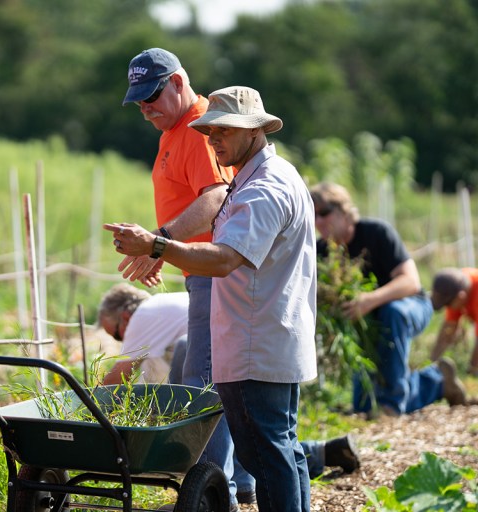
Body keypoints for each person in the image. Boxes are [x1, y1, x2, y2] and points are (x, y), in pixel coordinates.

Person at [106, 86, 318, 512]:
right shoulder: (263, 177)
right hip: (269, 337)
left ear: (255, 131)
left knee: (268, 456)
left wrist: (157, 246)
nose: (213, 138)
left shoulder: (264, 190)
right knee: (283, 450)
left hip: (256, 343)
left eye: (224, 130)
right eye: (209, 130)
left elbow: (224, 260)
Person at [120, 48, 253, 507]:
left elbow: (215, 196)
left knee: (204, 383)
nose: (145, 108)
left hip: (214, 273)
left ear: (178, 82)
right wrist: (166, 249)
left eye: (152, 96)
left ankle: (219, 497)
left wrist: (160, 241)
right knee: (215, 377)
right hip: (200, 269)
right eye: (138, 101)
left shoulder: (198, 128)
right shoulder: (173, 130)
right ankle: (241, 482)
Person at [98, 283, 359, 479]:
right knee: (250, 433)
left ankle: (223, 488)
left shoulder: (143, 316)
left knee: (203, 432)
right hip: (242, 347)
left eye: (117, 335)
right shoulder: (162, 309)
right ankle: (319, 452)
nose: (122, 340)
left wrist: (85, 400)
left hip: (218, 356)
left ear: (124, 318)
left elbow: (119, 376)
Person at [310, 182, 467, 415]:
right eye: (313, 215)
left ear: (343, 210)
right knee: (364, 406)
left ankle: (392, 404)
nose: (318, 221)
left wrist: (369, 300)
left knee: (392, 312)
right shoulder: (321, 251)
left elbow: (410, 281)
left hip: (412, 306)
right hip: (369, 322)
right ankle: (436, 382)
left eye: (324, 213)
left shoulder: (376, 233)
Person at [430, 268, 478, 376]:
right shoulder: (456, 284)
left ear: (460, 297)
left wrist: (472, 370)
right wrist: (431, 363)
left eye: (447, 304)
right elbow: (449, 330)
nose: (448, 308)